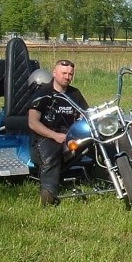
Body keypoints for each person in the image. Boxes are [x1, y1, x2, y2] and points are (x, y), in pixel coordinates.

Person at [29, 59, 88, 206]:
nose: (67, 77)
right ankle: (48, 196)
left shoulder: (75, 94)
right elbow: (32, 122)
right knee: (52, 154)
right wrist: (55, 136)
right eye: (63, 73)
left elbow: (86, 115)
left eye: (70, 74)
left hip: (71, 136)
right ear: (54, 73)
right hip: (45, 138)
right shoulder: (43, 94)